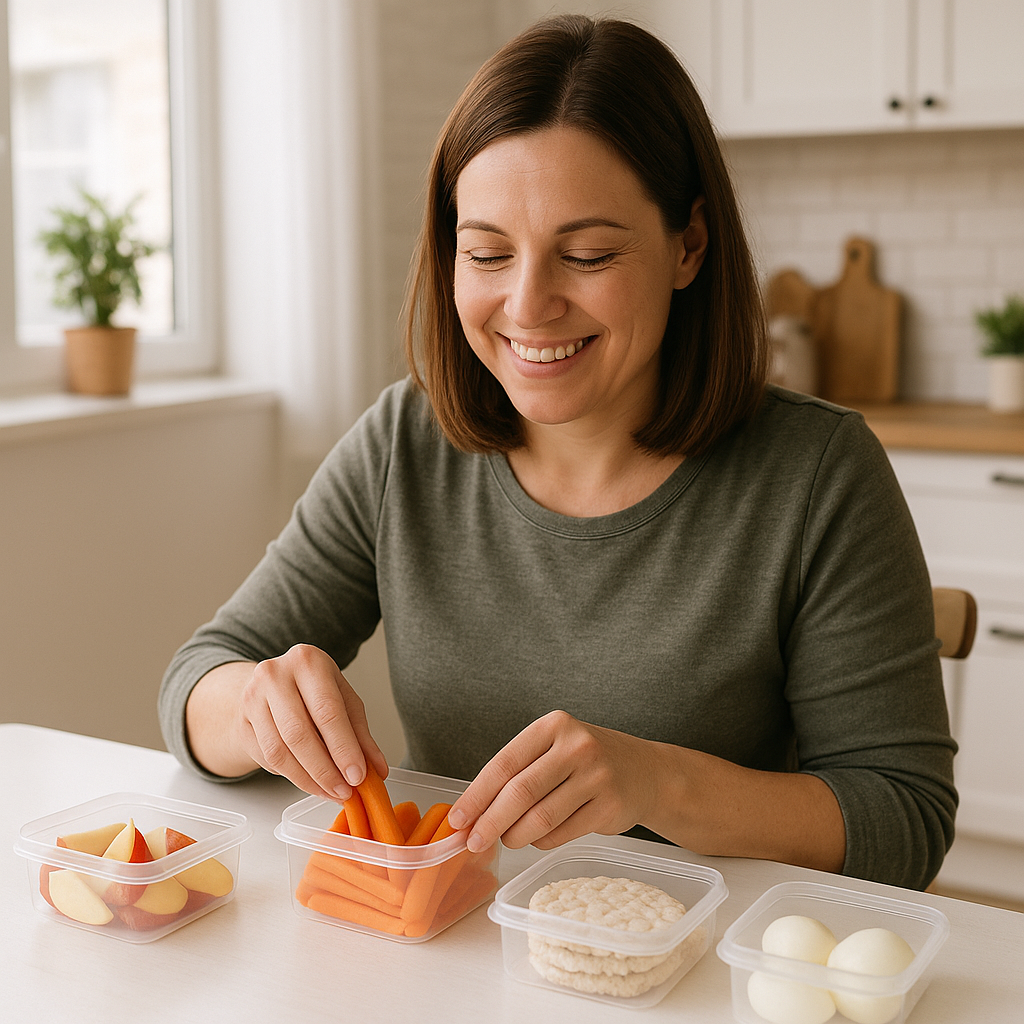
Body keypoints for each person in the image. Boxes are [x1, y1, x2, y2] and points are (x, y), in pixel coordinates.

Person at [160, 14, 956, 890]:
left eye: (587, 254)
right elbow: (197, 682)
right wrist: (254, 705)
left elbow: (903, 817)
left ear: (689, 245)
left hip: (694, 951)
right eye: (487, 253)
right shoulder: (403, 447)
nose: (528, 305)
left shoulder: (818, 473)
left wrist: (660, 783)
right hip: (456, 935)